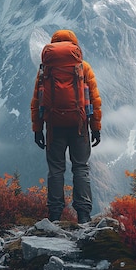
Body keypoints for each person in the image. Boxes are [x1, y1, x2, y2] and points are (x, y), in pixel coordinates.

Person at [30, 29, 102, 224]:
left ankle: (54, 215)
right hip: (79, 125)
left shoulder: (45, 69)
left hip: (54, 126)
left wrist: (37, 129)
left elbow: (37, 100)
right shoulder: (83, 67)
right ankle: (84, 215)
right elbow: (94, 99)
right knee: (81, 168)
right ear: (74, 46)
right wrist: (95, 127)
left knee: (56, 170)